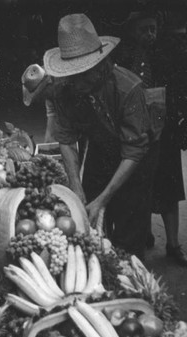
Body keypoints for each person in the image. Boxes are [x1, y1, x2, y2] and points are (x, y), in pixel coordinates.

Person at [43, 13, 159, 260]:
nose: (76, 81)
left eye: (83, 73)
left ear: (99, 65)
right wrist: (76, 186)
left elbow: (133, 152)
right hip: (101, 149)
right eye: (72, 74)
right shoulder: (66, 89)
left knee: (128, 231)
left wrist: (104, 199)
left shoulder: (128, 88)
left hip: (135, 161)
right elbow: (66, 139)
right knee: (88, 219)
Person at [115, 11, 187, 266]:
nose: (149, 34)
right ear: (132, 31)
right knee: (139, 185)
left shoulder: (168, 57)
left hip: (164, 132)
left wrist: (181, 125)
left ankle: (173, 244)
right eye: (143, 29)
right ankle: (143, 234)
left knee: (169, 188)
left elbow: (179, 90)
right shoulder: (123, 57)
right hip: (135, 133)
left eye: (153, 29)